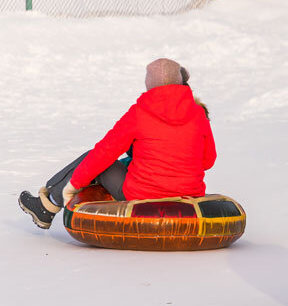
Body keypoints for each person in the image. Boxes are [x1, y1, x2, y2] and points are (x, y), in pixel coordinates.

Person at [19, 58, 215, 229]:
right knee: (125, 160)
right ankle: (48, 204)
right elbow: (208, 161)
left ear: (149, 84)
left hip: (142, 196)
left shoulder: (140, 113)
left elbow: (104, 153)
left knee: (96, 160)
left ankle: (48, 204)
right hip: (188, 196)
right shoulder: (198, 114)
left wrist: (73, 185)